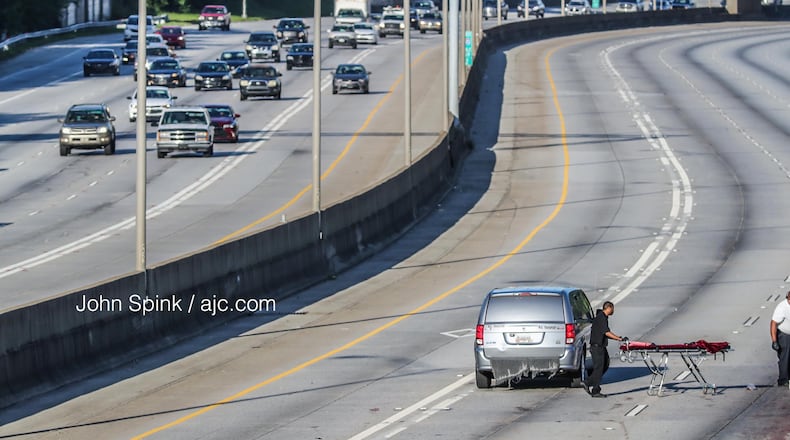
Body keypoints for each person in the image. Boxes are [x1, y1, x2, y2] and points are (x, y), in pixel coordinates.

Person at [585, 301, 626, 398]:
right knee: (599, 368)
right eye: (612, 308)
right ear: (608, 308)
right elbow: (606, 332)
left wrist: (617, 338)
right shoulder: (601, 318)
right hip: (597, 347)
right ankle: (592, 387)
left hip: (600, 346)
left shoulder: (603, 317)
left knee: (604, 366)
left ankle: (592, 384)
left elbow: (605, 333)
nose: (613, 311)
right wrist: (619, 338)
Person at [770, 291, 790, 387]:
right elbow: (773, 323)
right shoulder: (782, 307)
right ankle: (783, 379)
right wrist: (774, 341)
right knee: (785, 357)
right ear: (787, 298)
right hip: (784, 334)